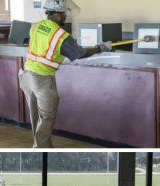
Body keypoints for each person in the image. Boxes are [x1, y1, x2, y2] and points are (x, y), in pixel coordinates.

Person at [19, 0, 112, 148]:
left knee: (36, 116)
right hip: (42, 79)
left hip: (26, 76)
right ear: (56, 15)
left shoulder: (36, 26)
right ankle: (41, 150)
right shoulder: (60, 34)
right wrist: (99, 48)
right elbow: (79, 54)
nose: (66, 17)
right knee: (47, 117)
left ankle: (43, 146)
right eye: (64, 14)